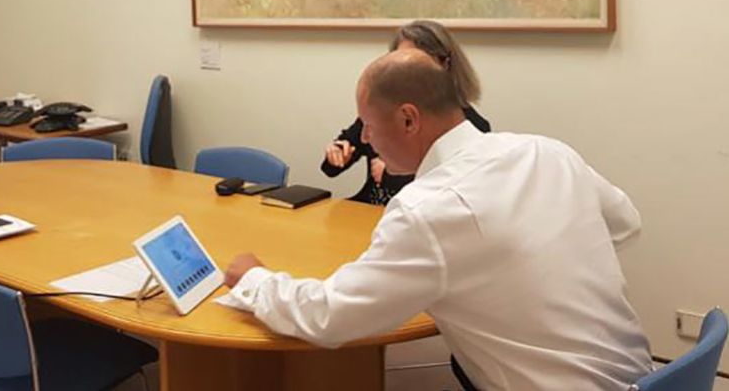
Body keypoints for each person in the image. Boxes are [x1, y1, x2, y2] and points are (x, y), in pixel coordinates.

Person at [225, 50, 651, 390]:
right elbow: (625, 222)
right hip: (649, 378)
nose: (366, 139)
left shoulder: (427, 209)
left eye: (369, 125)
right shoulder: (546, 151)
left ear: (409, 119)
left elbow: (330, 317)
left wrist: (255, 280)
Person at [322, 20, 490, 205]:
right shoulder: (381, 111)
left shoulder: (468, 126)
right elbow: (332, 168)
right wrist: (337, 152)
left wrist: (389, 176)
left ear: (445, 64)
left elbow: (455, 190)